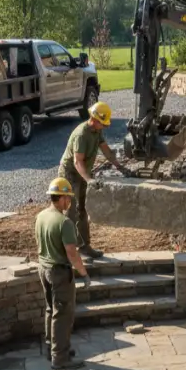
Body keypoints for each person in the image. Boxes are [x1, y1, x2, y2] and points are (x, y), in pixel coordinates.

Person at [58, 101, 130, 259]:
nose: (104, 126)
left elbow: (107, 152)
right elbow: (78, 162)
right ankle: (66, 251)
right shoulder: (81, 135)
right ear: (95, 120)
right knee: (70, 211)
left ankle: (84, 247)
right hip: (69, 174)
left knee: (83, 210)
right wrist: (89, 180)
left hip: (83, 174)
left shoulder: (97, 132)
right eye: (103, 123)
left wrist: (119, 167)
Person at [35, 177, 91, 370]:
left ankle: (53, 346)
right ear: (62, 198)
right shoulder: (64, 222)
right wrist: (83, 273)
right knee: (63, 314)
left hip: (43, 268)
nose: (69, 202)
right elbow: (72, 253)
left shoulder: (41, 216)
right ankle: (60, 358)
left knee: (51, 309)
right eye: (68, 198)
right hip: (59, 272)